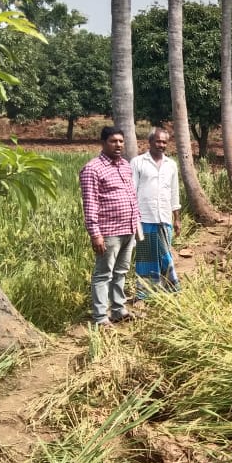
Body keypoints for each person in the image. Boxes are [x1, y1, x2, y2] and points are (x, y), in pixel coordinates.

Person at [79, 125, 141, 327]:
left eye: (121, 141)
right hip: (109, 231)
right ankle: (100, 317)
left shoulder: (125, 165)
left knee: (121, 272)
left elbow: (131, 196)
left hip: (128, 229)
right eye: (114, 141)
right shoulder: (92, 169)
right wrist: (95, 234)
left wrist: (136, 223)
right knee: (103, 274)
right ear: (103, 143)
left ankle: (118, 309)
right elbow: (90, 205)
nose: (118, 145)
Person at [131, 127, 181, 297]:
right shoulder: (138, 162)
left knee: (165, 255)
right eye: (158, 141)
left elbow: (174, 193)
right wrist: (133, 219)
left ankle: (170, 290)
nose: (161, 145)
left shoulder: (171, 165)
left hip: (165, 218)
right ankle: (143, 295)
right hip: (144, 218)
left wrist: (177, 219)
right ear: (150, 141)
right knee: (145, 259)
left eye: (164, 142)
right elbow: (132, 191)